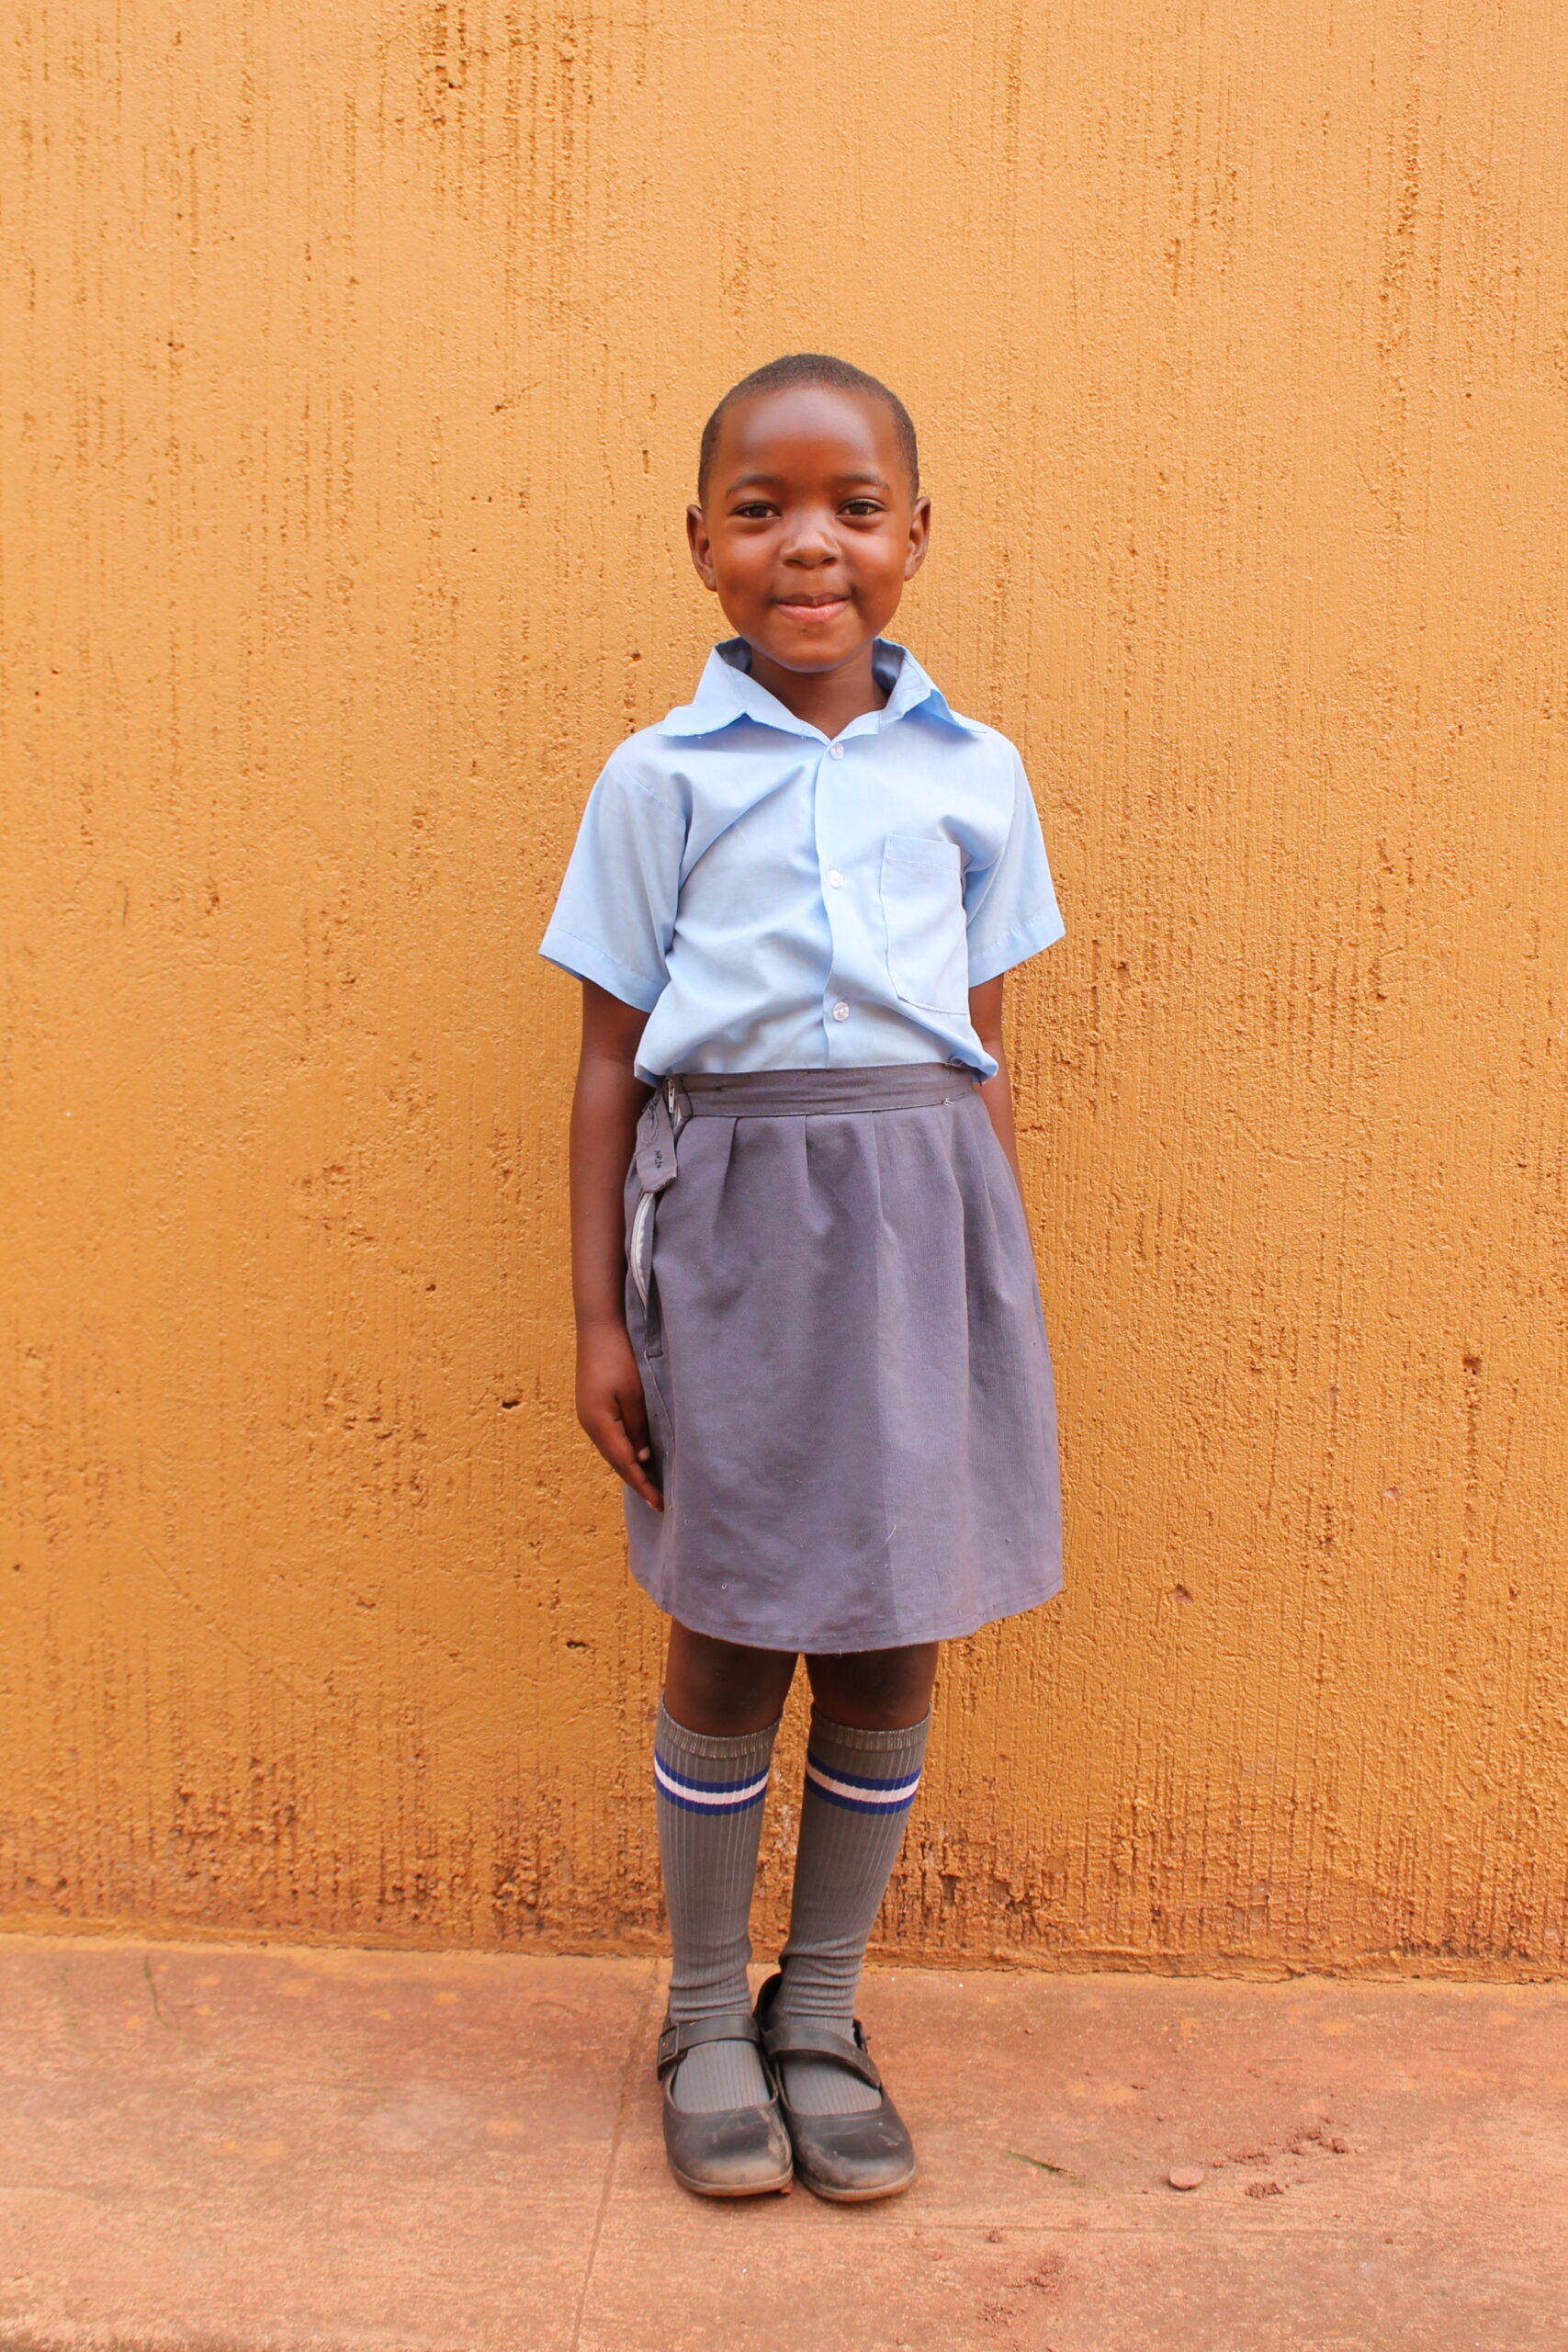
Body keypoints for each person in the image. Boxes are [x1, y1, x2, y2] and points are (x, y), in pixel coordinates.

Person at [540, 354, 1065, 2202]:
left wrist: (992, 1298)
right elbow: (608, 1059)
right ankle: (702, 2015)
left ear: (916, 535)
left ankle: (818, 2009)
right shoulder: (656, 778)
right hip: (733, 1228)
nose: (810, 545)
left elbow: (981, 1049)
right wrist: (597, 1316)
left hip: (925, 1227)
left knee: (893, 1623)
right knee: (732, 1615)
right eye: (760, 511)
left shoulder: (978, 775)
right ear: (701, 545)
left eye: (853, 507)